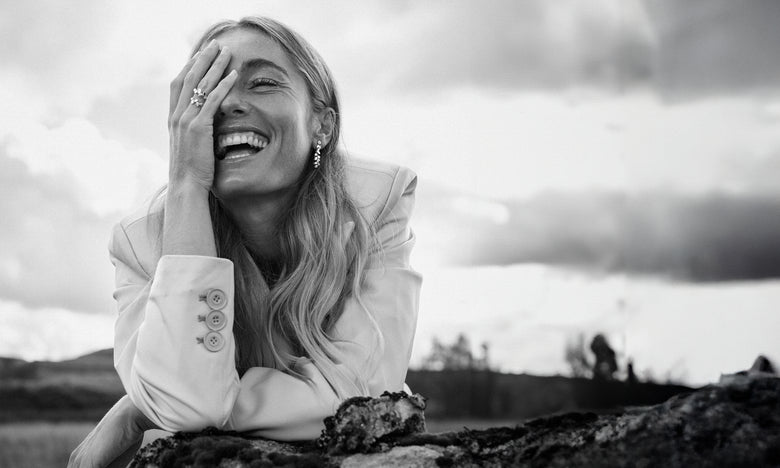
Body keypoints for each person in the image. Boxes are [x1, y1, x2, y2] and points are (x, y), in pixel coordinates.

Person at [69, 16, 421, 467]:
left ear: (322, 125)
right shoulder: (139, 243)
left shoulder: (376, 201)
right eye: (206, 89)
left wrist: (144, 408)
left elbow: (364, 394)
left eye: (263, 83)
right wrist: (186, 183)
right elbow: (185, 402)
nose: (228, 102)